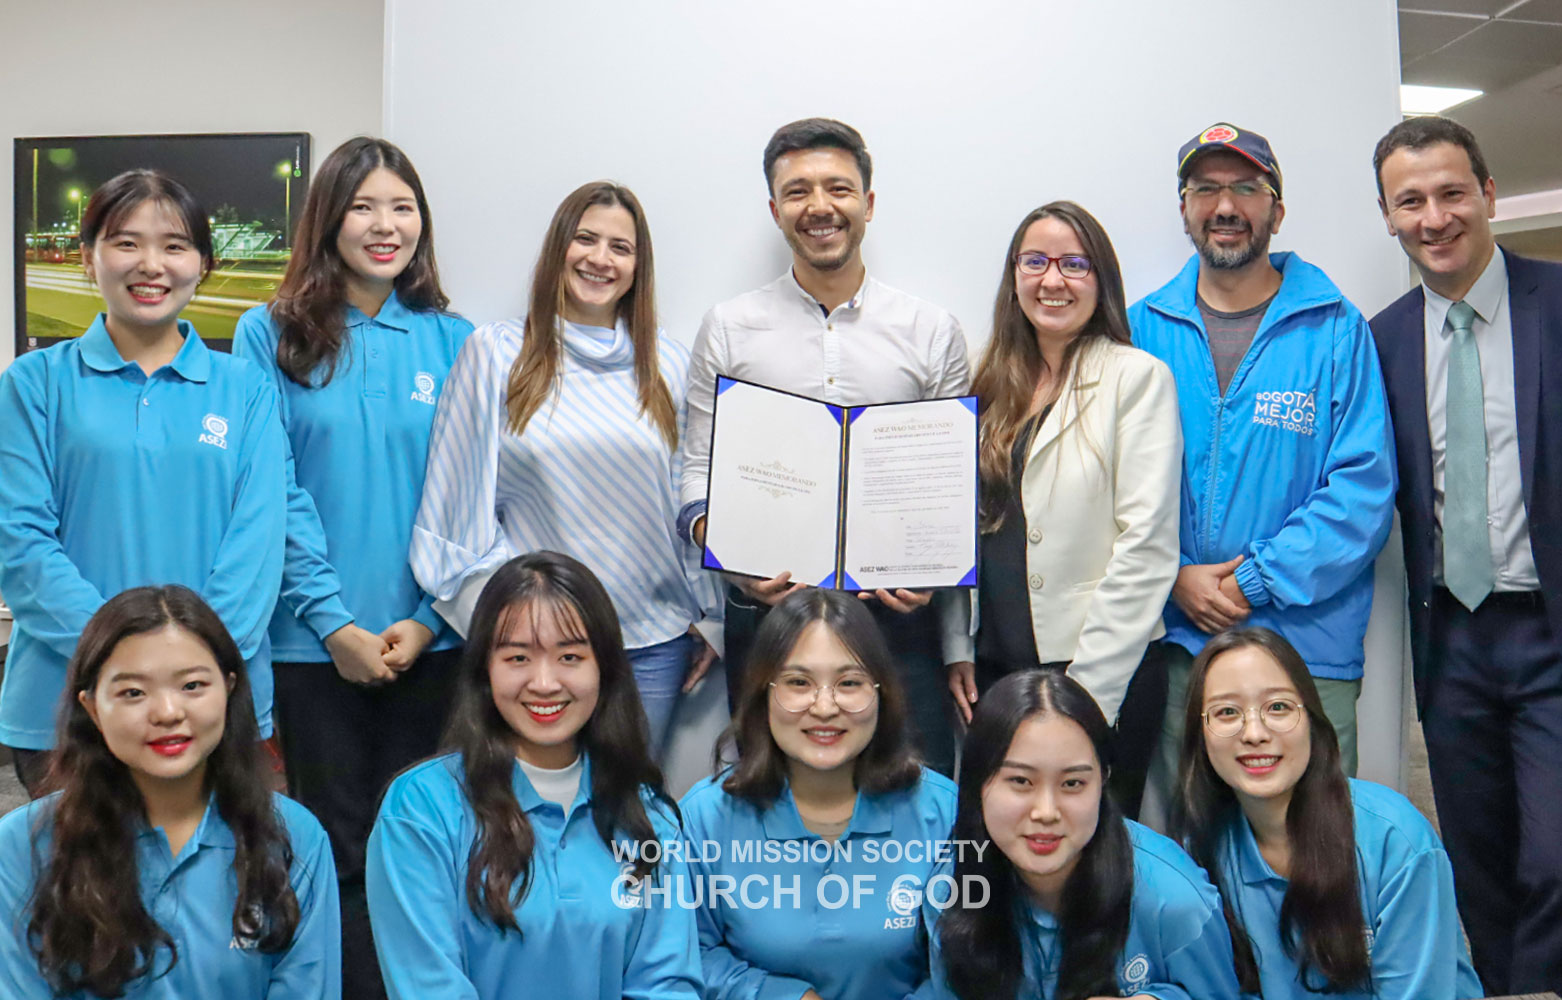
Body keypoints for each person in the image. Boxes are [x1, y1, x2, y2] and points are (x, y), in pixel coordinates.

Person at [231, 135, 472, 1000]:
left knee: (426, 853)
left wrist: (431, 618)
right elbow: (273, 489)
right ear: (328, 218)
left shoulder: (457, 341)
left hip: (432, 645)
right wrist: (333, 622)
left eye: (402, 207)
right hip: (312, 647)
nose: (385, 224)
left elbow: (471, 499)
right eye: (364, 206)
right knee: (333, 853)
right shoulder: (267, 334)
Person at [1368, 115, 1562, 1000]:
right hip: (1450, 641)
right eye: (1410, 201)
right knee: (1480, 865)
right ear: (1388, 217)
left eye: (1451, 193)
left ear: (1489, 194)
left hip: (1560, 636)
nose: (1434, 218)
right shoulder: (1381, 341)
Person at [679, 117, 973, 774]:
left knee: (914, 793)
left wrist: (936, 587)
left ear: (868, 203)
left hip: (898, 622)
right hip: (768, 613)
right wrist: (728, 555)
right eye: (798, 191)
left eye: (838, 188)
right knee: (769, 792)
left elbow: (953, 488)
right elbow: (697, 468)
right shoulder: (729, 328)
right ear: (775, 210)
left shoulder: (930, 331)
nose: (819, 206)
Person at [1129, 123, 1396, 796]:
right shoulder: (1138, 330)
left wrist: (1254, 580)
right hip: (1177, 643)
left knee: (1313, 839)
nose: (1226, 206)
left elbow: (1362, 492)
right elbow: (1105, 486)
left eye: (1246, 188)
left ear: (1277, 210)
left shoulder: (1336, 328)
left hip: (1306, 650)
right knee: (1187, 839)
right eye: (1206, 189)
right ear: (1184, 209)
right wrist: (1172, 576)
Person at [0, 170, 285, 794]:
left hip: (215, 703)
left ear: (202, 264)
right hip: (65, 705)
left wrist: (189, 673)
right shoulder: (33, 384)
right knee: (82, 862)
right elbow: (19, 544)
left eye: (175, 245)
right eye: (126, 243)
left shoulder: (246, 389)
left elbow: (259, 543)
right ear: (88, 257)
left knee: (221, 860)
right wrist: (123, 664)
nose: (151, 264)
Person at [412, 181, 718, 757]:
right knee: (533, 801)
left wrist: (710, 617)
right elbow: (451, 511)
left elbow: (688, 499)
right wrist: (506, 630)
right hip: (537, 648)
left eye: (620, 248)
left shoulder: (670, 364)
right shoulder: (495, 354)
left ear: (638, 266)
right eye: (586, 239)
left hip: (652, 642)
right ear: (559, 247)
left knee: (629, 802)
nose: (601, 259)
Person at [366, 551, 702, 999]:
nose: (544, 683)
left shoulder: (648, 815)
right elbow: (428, 987)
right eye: (518, 657)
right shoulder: (421, 808)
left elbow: (666, 985)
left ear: (604, 669)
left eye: (570, 656)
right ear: (484, 669)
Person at [950, 200, 1180, 818]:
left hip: (1096, 668)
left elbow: (1147, 545)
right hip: (997, 669)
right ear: (1014, 276)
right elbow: (957, 530)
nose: (1052, 280)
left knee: (1095, 847)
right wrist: (957, 647)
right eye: (1035, 262)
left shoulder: (1136, 379)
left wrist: (1086, 693)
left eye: (1074, 264)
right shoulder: (987, 382)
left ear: (1101, 280)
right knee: (1004, 840)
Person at [0, 585, 338, 999]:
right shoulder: (21, 846)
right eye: (133, 693)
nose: (167, 713)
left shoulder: (294, 838)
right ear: (92, 708)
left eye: (192, 685)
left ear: (229, 689)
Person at [1171, 627, 1480, 999]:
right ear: (1199, 735)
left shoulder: (1395, 841)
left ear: (1313, 721)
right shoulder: (1201, 847)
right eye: (1226, 712)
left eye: (1278, 707)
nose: (1254, 733)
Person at [680, 589, 956, 1000]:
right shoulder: (706, 817)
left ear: (882, 692)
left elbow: (965, 964)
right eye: (798, 682)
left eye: (849, 683)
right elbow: (688, 953)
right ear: (762, 692)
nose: (825, 708)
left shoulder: (940, 811)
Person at [920, 669, 1239, 999]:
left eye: (1072, 783)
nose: (1046, 812)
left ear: (1103, 781)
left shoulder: (1174, 899)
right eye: (1020, 781)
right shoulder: (952, 888)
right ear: (977, 783)